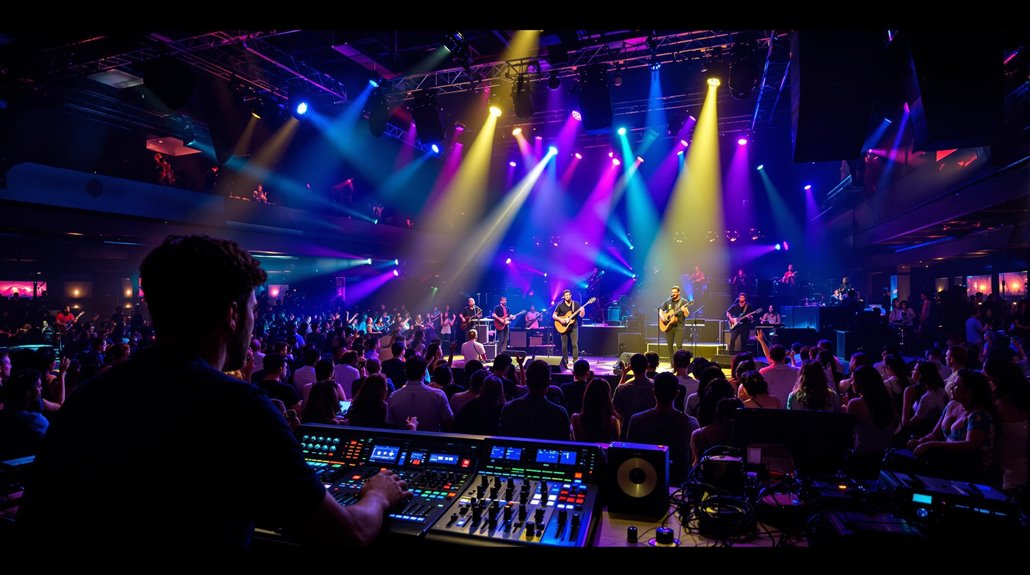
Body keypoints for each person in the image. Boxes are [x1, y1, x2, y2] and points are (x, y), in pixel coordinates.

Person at [17, 235, 410, 552]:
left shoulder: (90, 397)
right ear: (233, 313)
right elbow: (346, 535)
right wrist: (377, 494)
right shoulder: (239, 407)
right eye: (253, 310)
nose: (255, 323)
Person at [552, 289, 584, 371]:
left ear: (571, 295)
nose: (568, 296)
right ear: (564, 297)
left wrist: (582, 311)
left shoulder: (575, 304)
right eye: (566, 295)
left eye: (569, 295)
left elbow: (581, 316)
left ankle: (575, 361)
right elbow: (554, 316)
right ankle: (565, 361)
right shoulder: (560, 305)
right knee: (564, 346)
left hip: (574, 326)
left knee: (574, 344)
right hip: (563, 327)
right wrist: (560, 320)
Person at [658, 286, 689, 364]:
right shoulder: (668, 301)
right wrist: (663, 318)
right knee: (669, 346)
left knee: (679, 346)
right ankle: (672, 364)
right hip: (669, 326)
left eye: (675, 292)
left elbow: (687, 315)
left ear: (678, 292)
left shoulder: (684, 302)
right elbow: (661, 310)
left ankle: (680, 364)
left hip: (679, 326)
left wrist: (685, 311)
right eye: (672, 292)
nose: (673, 294)